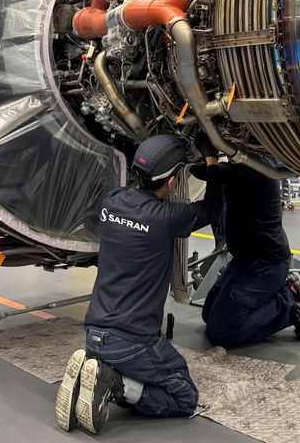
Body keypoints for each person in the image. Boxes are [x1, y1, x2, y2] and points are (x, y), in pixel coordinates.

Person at [56, 133, 223, 434]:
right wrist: (212, 161)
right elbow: (212, 208)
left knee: (147, 370)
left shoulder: (112, 202)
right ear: (173, 182)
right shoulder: (166, 217)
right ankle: (115, 385)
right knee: (185, 395)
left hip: (94, 332)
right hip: (132, 341)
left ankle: (93, 376)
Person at [190, 136, 300, 348]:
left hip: (265, 267)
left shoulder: (255, 171)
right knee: (208, 313)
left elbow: (205, 173)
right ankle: (274, 297)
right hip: (244, 261)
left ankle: (289, 304)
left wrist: (207, 153)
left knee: (219, 332)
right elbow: (210, 170)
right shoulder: (249, 166)